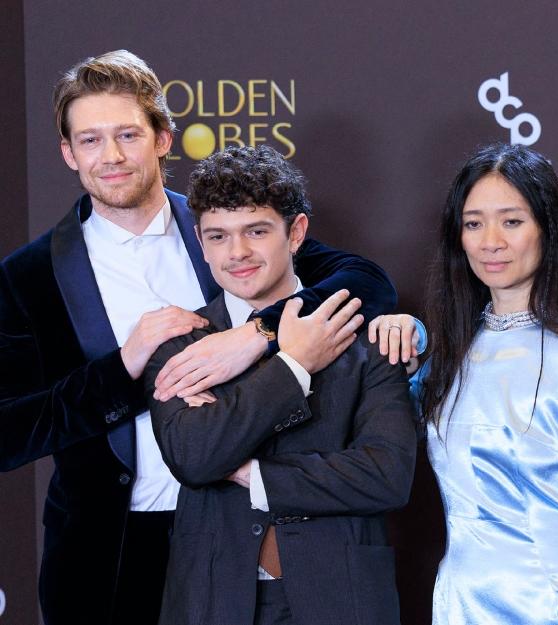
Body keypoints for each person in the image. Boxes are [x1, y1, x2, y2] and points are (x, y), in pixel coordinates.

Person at [0, 50, 397, 625]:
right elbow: (10, 431)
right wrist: (124, 366)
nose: (110, 157)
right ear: (67, 153)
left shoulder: (223, 227)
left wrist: (258, 335)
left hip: (232, 536)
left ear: (163, 138)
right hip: (106, 554)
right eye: (89, 140)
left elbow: (368, 282)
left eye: (127, 135)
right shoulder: (28, 276)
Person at [145, 146, 417, 625]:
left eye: (256, 231)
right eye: (218, 236)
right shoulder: (179, 346)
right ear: (201, 244)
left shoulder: (362, 334)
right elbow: (194, 456)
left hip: (341, 599)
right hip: (213, 600)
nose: (238, 253)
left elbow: (386, 475)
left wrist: (255, 475)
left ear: (296, 233)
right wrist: (292, 364)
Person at [370, 143, 558, 625]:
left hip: (552, 608)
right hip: (459, 604)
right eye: (473, 223)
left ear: (547, 229)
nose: (490, 241)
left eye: (511, 221)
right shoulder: (453, 349)